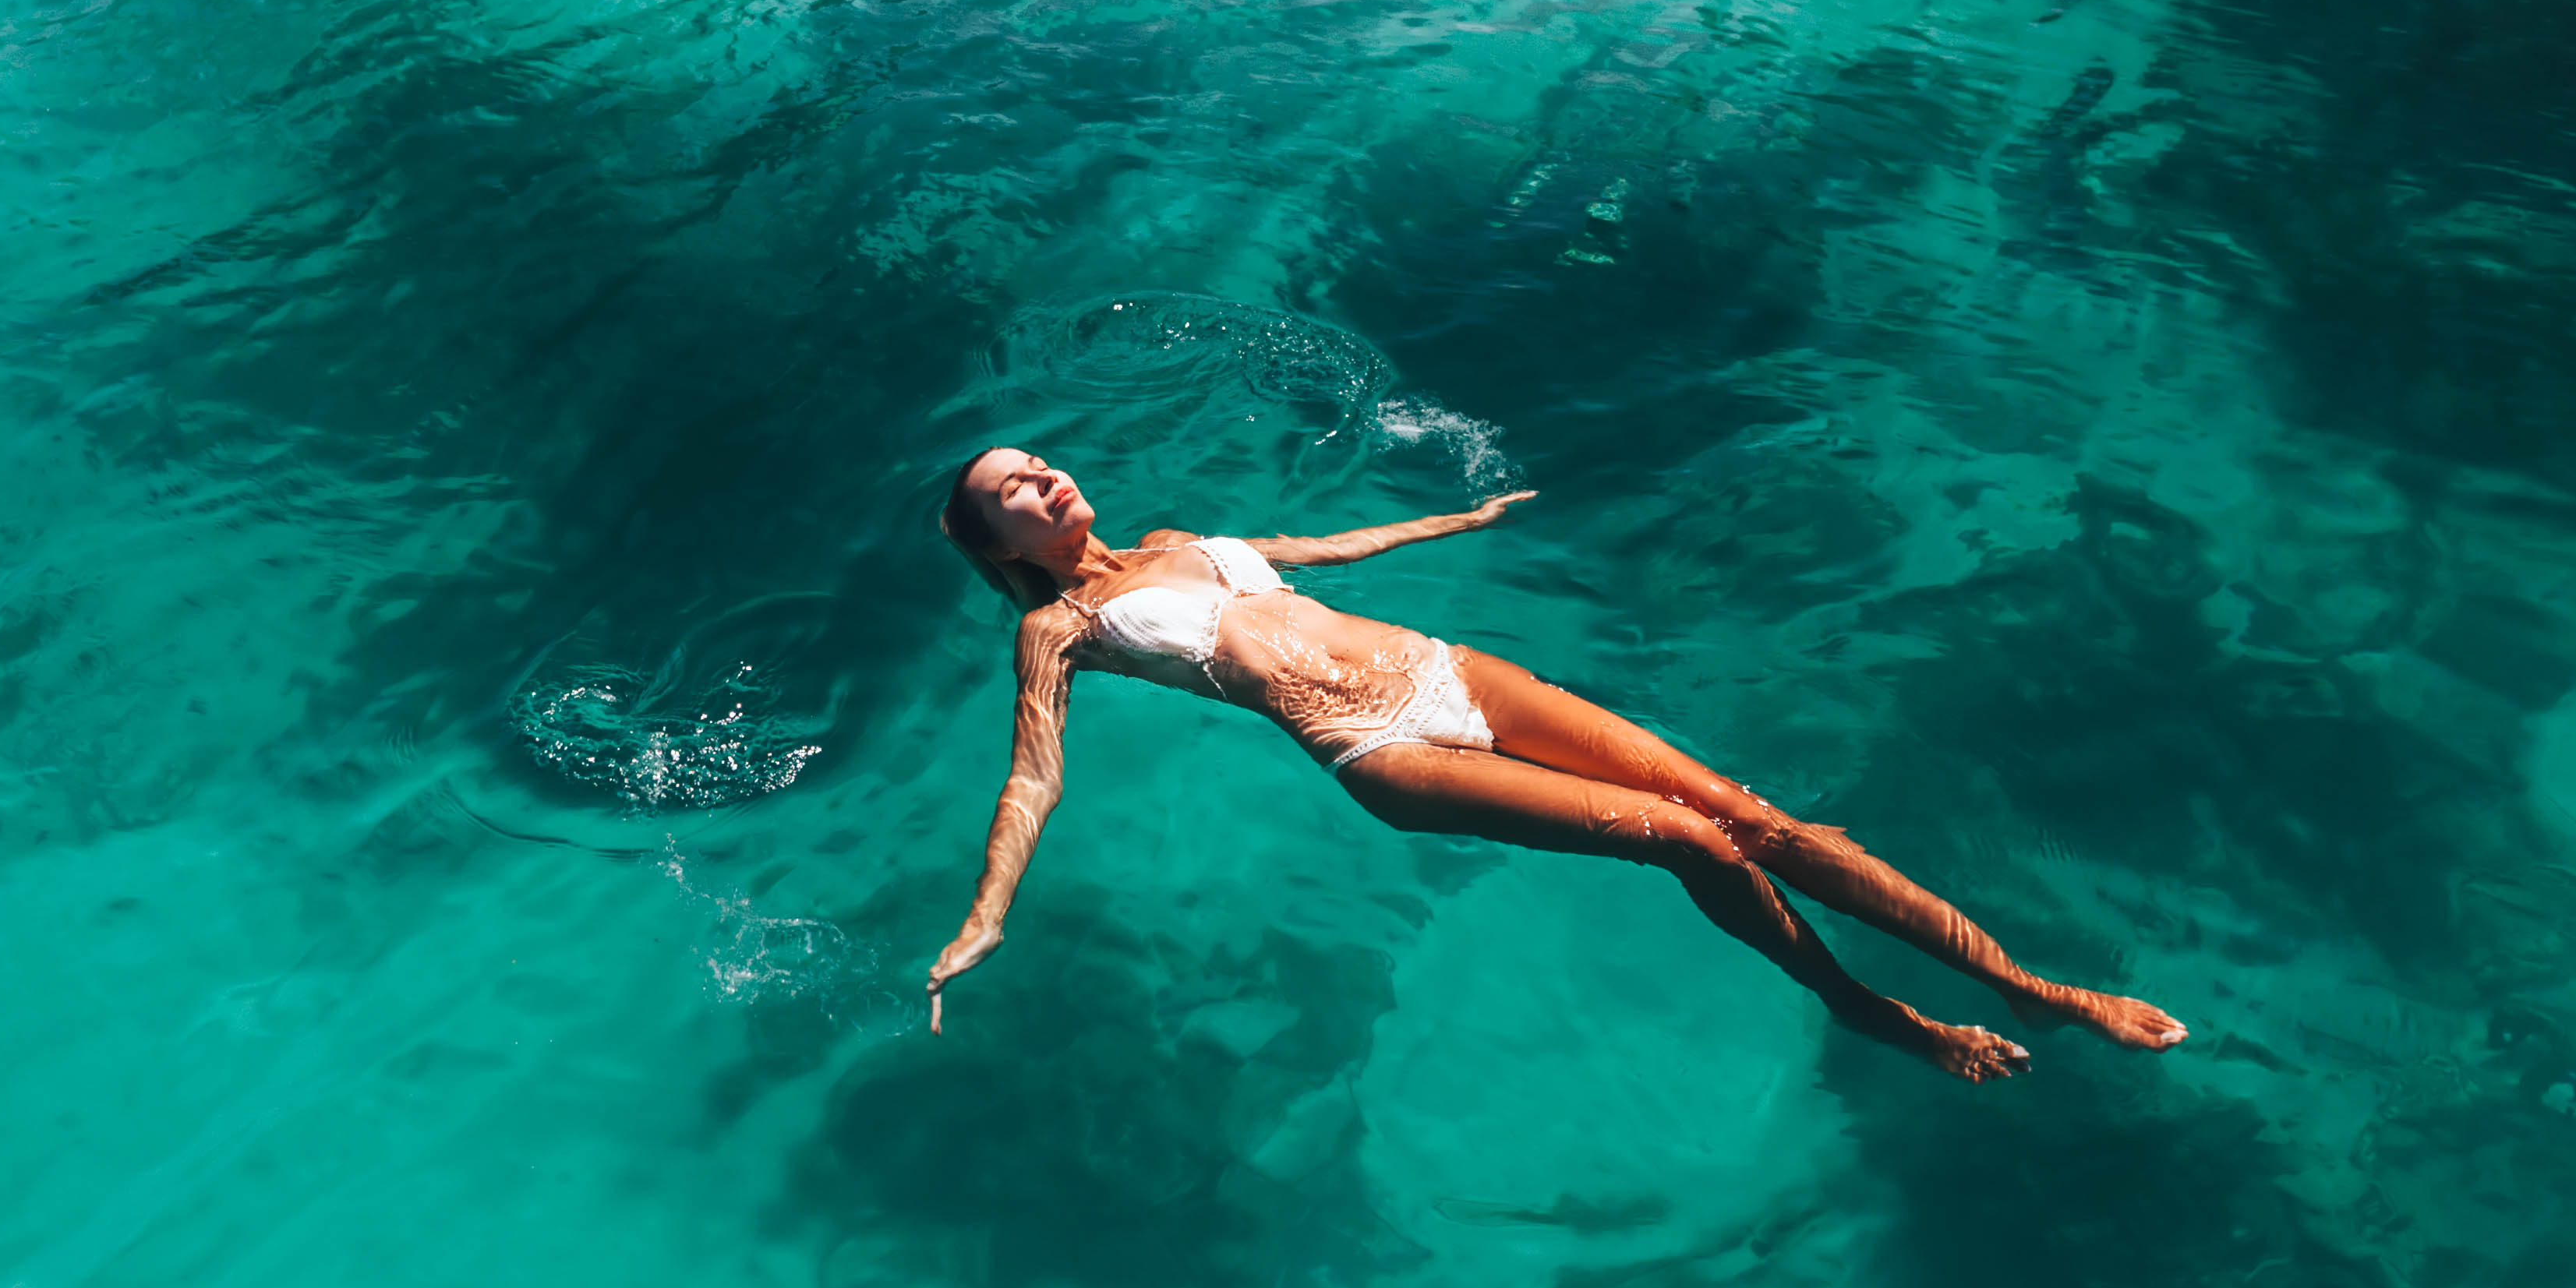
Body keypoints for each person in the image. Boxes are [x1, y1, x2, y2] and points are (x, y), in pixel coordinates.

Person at [926, 446, 2186, 1080]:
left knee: (1763, 819)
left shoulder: (1177, 537)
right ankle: (1871, 1012)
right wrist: (987, 917)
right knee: (1694, 843)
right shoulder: (1061, 631)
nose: (1044, 478)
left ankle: (2029, 985)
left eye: (1039, 461)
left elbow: (1317, 550)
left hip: (1446, 668)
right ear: (1002, 548)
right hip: (1377, 746)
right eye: (1014, 493)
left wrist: (1454, 520)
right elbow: (1030, 777)